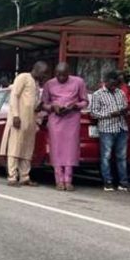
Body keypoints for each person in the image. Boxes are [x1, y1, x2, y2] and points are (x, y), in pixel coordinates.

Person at [0, 61, 49, 186]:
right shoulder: (23, 77)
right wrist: (15, 115)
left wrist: (39, 106)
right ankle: (12, 176)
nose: (44, 76)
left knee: (27, 149)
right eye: (43, 73)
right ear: (36, 69)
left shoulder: (36, 84)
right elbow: (14, 96)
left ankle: (24, 176)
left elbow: (32, 102)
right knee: (15, 147)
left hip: (31, 121)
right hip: (19, 119)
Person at [41, 63, 89, 191]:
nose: (60, 77)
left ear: (69, 72)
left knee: (70, 149)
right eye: (58, 74)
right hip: (55, 119)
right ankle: (59, 180)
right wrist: (52, 107)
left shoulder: (78, 82)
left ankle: (68, 180)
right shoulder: (49, 84)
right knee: (56, 148)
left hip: (71, 119)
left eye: (63, 75)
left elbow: (85, 101)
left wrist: (75, 105)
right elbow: (44, 104)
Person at [90, 70, 129, 192]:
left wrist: (124, 111)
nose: (114, 86)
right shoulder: (98, 94)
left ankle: (123, 182)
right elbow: (94, 113)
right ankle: (108, 182)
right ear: (106, 81)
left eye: (116, 84)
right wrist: (110, 114)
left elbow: (124, 107)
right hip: (107, 129)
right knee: (106, 156)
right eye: (112, 84)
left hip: (121, 127)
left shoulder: (120, 93)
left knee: (121, 157)